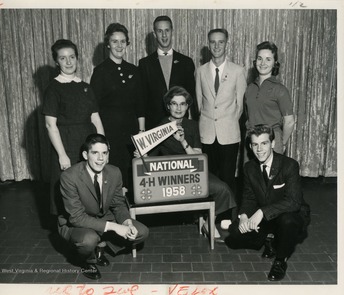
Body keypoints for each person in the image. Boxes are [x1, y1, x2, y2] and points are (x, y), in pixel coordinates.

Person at [135, 86, 237, 243]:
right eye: (174, 103)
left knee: (223, 189)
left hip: (194, 172)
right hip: (171, 175)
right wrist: (141, 155)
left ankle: (209, 221)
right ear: (168, 106)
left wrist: (183, 141)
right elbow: (150, 158)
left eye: (182, 104)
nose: (178, 108)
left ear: (187, 106)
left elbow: (198, 158)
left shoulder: (192, 125)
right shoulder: (160, 127)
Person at [225, 125, 310, 281]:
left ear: (272, 143)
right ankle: (269, 239)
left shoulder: (289, 165)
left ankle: (280, 260)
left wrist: (262, 212)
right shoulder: (249, 167)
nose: (259, 149)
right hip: (266, 216)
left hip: (290, 214)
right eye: (255, 144)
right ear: (250, 146)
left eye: (264, 143)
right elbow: (249, 197)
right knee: (233, 237)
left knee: (288, 221)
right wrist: (244, 216)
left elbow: (293, 201)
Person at [58, 133, 149, 280]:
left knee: (141, 232)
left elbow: (118, 204)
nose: (101, 158)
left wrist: (127, 222)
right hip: (77, 223)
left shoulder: (114, 172)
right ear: (85, 155)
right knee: (88, 240)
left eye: (104, 153)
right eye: (95, 153)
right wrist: (115, 227)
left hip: (103, 217)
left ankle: (101, 245)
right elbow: (76, 217)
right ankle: (86, 260)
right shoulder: (69, 177)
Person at [43, 39, 104, 216]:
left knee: (90, 188)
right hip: (66, 145)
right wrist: (62, 155)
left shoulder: (85, 87)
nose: (68, 62)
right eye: (63, 58)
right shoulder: (53, 88)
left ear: (77, 58)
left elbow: (96, 119)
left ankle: (92, 228)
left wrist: (103, 148)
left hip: (88, 144)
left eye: (72, 57)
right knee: (70, 193)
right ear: (56, 62)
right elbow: (50, 125)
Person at [90, 23, 145, 195]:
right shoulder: (100, 71)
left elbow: (140, 105)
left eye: (122, 41)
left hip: (132, 132)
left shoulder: (134, 70)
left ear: (127, 43)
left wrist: (142, 133)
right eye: (115, 41)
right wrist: (101, 136)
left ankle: (131, 214)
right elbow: (94, 108)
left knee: (133, 172)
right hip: (110, 131)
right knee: (113, 173)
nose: (119, 46)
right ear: (108, 44)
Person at [195, 28, 247, 194]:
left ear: (226, 44)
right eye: (213, 42)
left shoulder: (238, 71)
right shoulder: (200, 71)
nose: (216, 46)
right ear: (208, 45)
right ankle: (210, 215)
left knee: (228, 178)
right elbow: (198, 103)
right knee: (207, 178)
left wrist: (227, 121)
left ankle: (227, 218)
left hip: (229, 133)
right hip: (206, 133)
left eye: (221, 42)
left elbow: (240, 105)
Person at [139, 15, 198, 130]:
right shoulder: (145, 64)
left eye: (167, 30)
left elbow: (191, 97)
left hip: (180, 125)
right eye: (160, 31)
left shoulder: (186, 62)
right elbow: (142, 100)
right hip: (154, 127)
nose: (164, 35)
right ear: (155, 34)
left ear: (172, 32)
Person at [244, 41, 295, 155]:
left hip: (272, 141)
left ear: (275, 63)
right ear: (255, 61)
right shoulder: (249, 88)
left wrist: (281, 143)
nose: (263, 63)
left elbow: (289, 122)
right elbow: (248, 117)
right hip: (252, 141)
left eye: (268, 59)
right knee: (250, 172)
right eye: (260, 58)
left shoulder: (280, 90)